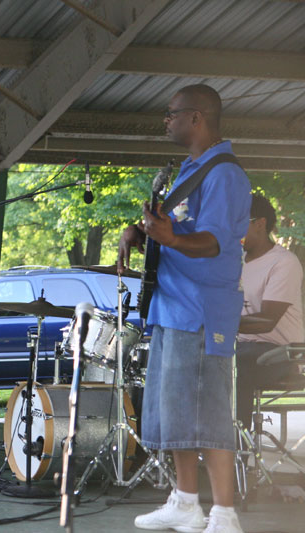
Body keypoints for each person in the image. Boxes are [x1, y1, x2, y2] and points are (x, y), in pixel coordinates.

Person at [118, 84, 251, 533]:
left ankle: (225, 514)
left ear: (197, 118)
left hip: (201, 311)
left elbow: (212, 240)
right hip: (173, 309)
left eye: (171, 114)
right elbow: (177, 232)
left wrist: (170, 238)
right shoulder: (192, 170)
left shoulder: (224, 173)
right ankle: (186, 502)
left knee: (208, 413)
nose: (166, 121)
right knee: (177, 414)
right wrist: (144, 234)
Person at [236, 194, 304, 431]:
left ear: (260, 224)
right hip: (243, 348)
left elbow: (266, 321)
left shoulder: (284, 262)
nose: (233, 229)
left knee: (233, 369)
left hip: (280, 353)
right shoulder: (235, 261)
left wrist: (218, 323)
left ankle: (236, 454)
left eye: (239, 221)